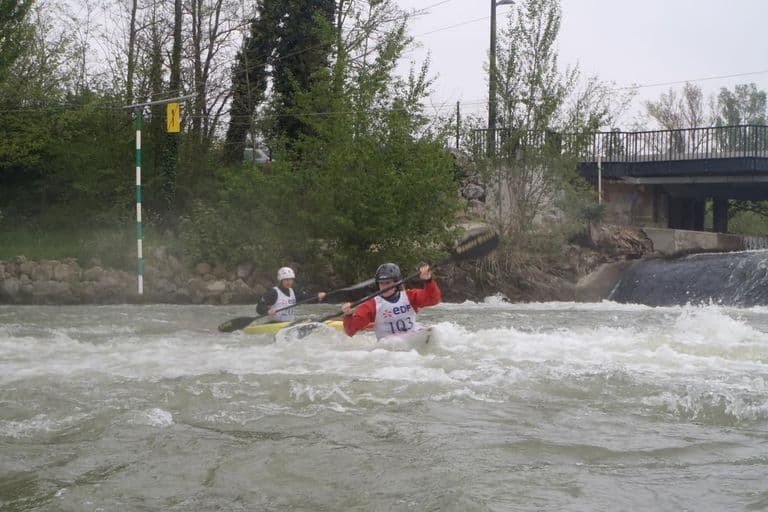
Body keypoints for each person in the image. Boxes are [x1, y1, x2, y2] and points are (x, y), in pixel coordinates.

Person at [341, 262, 440, 339]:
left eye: (388, 283)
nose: (384, 287)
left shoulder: (409, 296)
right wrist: (348, 315)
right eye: (381, 283)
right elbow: (350, 331)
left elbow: (434, 299)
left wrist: (428, 280)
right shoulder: (371, 305)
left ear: (396, 283)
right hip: (389, 344)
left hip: (412, 334)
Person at [256, 267, 326, 322]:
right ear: (281, 280)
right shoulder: (273, 292)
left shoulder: (293, 291)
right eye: (286, 280)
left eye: (291, 279)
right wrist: (268, 310)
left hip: (289, 323)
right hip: (274, 323)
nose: (289, 282)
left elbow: (305, 297)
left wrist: (317, 296)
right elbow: (259, 307)